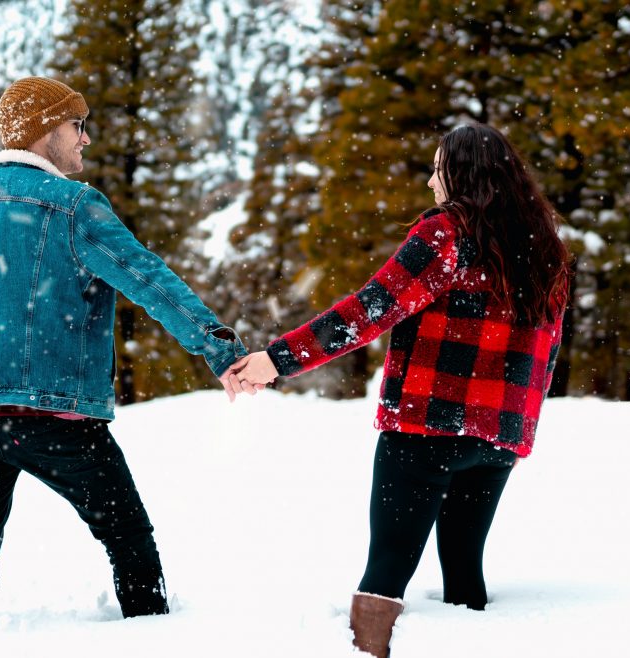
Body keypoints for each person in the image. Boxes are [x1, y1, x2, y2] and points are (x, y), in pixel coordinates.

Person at [0, 76, 250, 628]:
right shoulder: (74, 207)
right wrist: (219, 348)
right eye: (76, 125)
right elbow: (149, 280)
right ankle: (154, 635)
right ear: (44, 132)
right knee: (127, 536)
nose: (85, 139)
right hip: (56, 414)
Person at [232, 122, 571, 658]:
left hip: (425, 429)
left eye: (439, 168)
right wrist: (515, 428)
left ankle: (368, 652)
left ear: (461, 174)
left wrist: (276, 360)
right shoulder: (544, 248)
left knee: (387, 568)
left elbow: (371, 310)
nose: (431, 180)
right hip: (496, 440)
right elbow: (545, 354)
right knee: (464, 572)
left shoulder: (448, 233)